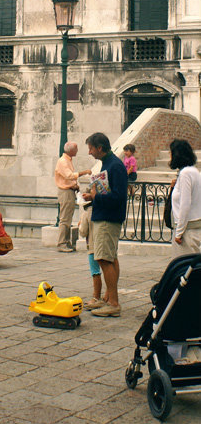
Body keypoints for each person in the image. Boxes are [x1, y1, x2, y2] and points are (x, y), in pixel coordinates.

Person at [83, 132, 127, 317]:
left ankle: (114, 303)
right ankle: (109, 298)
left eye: (91, 148)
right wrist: (93, 197)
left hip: (108, 218)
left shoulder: (115, 166)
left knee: (104, 258)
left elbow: (118, 196)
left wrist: (95, 196)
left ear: (99, 148)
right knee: (109, 257)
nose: (90, 152)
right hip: (105, 215)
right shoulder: (109, 164)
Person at [54, 141, 92, 252]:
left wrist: (75, 186)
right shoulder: (63, 161)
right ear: (70, 150)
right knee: (65, 219)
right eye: (76, 149)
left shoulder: (67, 160)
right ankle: (62, 243)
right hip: (65, 192)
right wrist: (84, 172)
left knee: (68, 218)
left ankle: (66, 242)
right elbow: (69, 175)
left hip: (69, 191)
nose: (77, 151)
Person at [168, 139, 201, 258]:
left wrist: (179, 232)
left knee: (184, 269)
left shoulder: (186, 174)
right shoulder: (193, 171)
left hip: (187, 230)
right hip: (192, 228)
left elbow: (185, 203)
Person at [78, 202, 104, 310]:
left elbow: (83, 232)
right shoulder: (102, 209)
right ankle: (108, 295)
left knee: (95, 272)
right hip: (102, 244)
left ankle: (96, 297)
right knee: (106, 270)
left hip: (92, 246)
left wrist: (79, 225)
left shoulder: (87, 212)